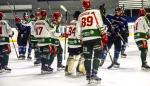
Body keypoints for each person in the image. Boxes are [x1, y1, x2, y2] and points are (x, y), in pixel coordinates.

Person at [77, 0, 105, 82]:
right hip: (96, 37)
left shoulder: (80, 15)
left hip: (85, 39)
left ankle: (88, 75)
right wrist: (103, 33)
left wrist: (80, 38)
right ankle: (94, 74)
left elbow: (78, 29)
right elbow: (99, 23)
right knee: (97, 56)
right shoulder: (96, 12)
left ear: (83, 6)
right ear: (90, 5)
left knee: (87, 58)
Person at [65, 11, 86, 76]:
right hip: (77, 43)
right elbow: (78, 33)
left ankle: (67, 70)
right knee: (82, 56)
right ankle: (80, 70)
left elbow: (69, 33)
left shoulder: (72, 22)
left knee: (71, 56)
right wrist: (81, 39)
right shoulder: (79, 23)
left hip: (70, 42)